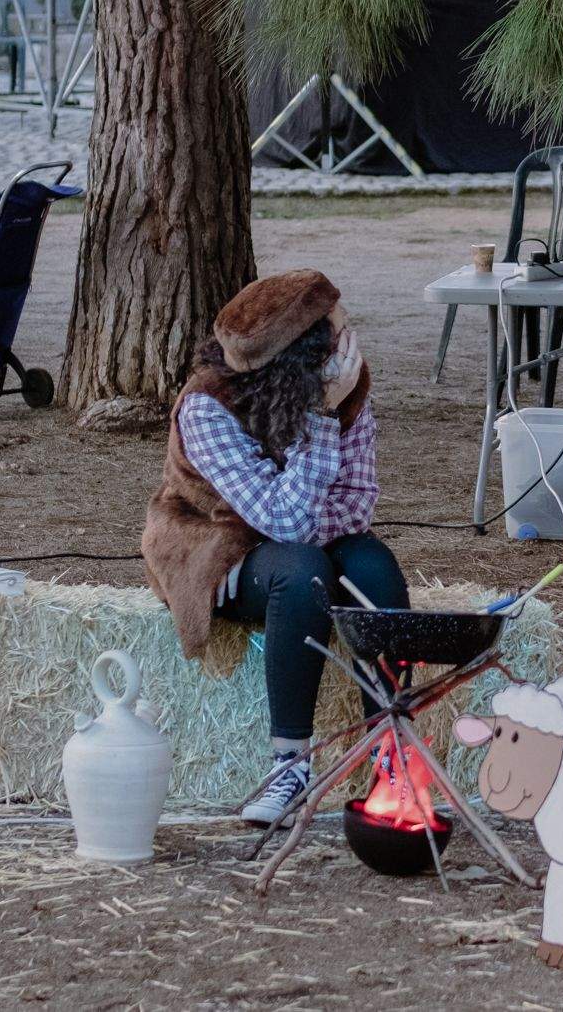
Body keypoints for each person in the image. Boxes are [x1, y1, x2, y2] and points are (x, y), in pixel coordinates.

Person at [142, 269, 409, 826]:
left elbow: (356, 502)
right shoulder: (207, 406)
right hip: (215, 543)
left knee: (372, 565)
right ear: (305, 351)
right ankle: (289, 766)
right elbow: (284, 522)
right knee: (302, 570)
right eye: (340, 329)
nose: (351, 341)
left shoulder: (349, 388)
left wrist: (299, 519)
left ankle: (392, 757)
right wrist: (319, 421)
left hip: (297, 534)